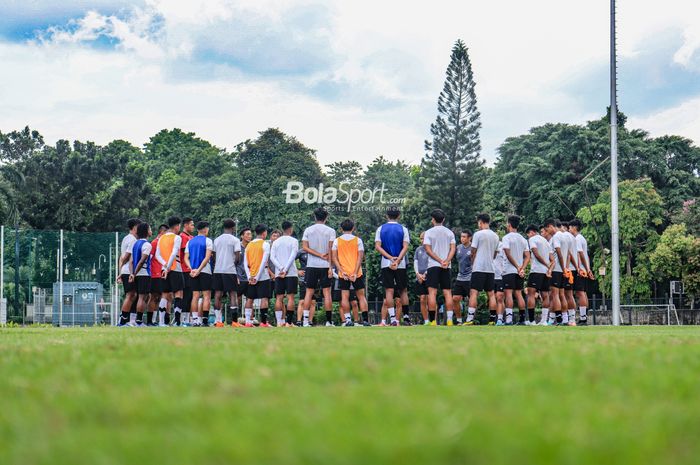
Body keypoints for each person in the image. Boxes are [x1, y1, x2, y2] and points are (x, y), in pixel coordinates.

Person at [374, 206, 411, 326]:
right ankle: (406, 318)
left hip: (386, 263)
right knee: (403, 291)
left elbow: (378, 246)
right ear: (399, 215)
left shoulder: (380, 229)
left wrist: (390, 258)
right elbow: (405, 246)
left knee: (389, 291)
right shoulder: (403, 229)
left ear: (387, 215)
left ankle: (393, 318)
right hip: (401, 264)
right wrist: (398, 259)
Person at [299, 208, 336, 327]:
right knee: (327, 293)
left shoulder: (308, 230)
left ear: (315, 217)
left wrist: (317, 254)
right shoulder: (331, 231)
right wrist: (330, 266)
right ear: (326, 218)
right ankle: (329, 321)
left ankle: (305, 321)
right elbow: (331, 250)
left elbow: (305, 247)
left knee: (309, 292)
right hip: (325, 265)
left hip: (311, 265)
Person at [332, 219, 370, 327]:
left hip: (343, 273)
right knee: (361, 296)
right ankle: (366, 320)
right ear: (353, 228)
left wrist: (342, 271)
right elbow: (360, 257)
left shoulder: (337, 241)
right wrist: (354, 272)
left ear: (341, 228)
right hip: (356, 273)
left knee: (344, 297)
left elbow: (334, 258)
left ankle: (348, 320)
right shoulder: (358, 240)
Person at [423, 209, 456, 326]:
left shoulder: (428, 232)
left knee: (432, 293)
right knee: (447, 292)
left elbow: (427, 249)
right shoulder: (449, 233)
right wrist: (446, 261)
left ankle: (432, 321)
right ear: (444, 219)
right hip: (446, 266)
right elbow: (453, 248)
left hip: (433, 265)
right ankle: (450, 320)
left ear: (433, 220)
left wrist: (439, 261)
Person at [465, 213, 499, 326]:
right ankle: (492, 320)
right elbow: (495, 254)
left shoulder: (478, 234)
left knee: (474, 293)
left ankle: (469, 319)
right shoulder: (495, 236)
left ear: (481, 222)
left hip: (479, 268)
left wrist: (473, 262)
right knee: (491, 294)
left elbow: (473, 251)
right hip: (490, 268)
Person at [155, 216, 185, 327]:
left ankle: (162, 322)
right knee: (178, 293)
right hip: (175, 268)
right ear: (177, 226)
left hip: (164, 268)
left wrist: (164, 265)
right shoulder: (177, 238)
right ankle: (177, 321)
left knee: (165, 294)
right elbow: (174, 253)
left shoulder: (161, 238)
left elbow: (157, 255)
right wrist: (168, 266)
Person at [212, 219, 242, 328]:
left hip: (218, 270)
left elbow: (213, 256)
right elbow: (238, 257)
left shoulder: (216, 240)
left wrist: (220, 262)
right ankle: (234, 321)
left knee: (218, 294)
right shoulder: (235, 240)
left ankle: (218, 321)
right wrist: (232, 263)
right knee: (233, 294)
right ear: (233, 228)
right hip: (230, 270)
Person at [501, 215, 530, 325]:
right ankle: (522, 319)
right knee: (518, 294)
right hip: (519, 271)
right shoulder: (523, 239)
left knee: (508, 294)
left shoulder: (506, 238)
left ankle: (508, 320)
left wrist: (518, 267)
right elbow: (527, 256)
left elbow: (508, 254)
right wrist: (522, 267)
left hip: (509, 269)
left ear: (509, 224)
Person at [270, 221, 299, 327]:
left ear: (282, 229)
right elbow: (293, 256)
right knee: (290, 297)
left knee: (279, 297)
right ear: (291, 229)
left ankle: (279, 322)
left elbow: (272, 257)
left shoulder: (276, 242)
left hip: (278, 273)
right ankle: (289, 322)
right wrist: (285, 269)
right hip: (290, 273)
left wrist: (280, 268)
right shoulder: (294, 241)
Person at [185, 221, 213, 327]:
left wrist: (192, 269)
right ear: (205, 229)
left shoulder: (190, 242)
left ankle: (195, 320)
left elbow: (185, 258)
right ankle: (204, 321)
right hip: (205, 271)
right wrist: (199, 269)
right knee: (206, 296)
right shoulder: (208, 241)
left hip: (193, 271)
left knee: (195, 296)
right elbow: (207, 257)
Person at [243, 224, 272, 327]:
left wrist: (249, 277)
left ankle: (247, 322)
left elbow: (245, 263)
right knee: (264, 298)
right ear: (264, 233)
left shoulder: (249, 245)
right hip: (262, 275)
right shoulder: (265, 244)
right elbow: (264, 262)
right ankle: (263, 322)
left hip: (251, 275)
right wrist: (257, 277)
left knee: (249, 298)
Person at [526, 224, 554, 326]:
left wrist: (546, 264)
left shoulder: (532, 239)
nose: (528, 236)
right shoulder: (546, 241)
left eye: (528, 234)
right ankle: (543, 321)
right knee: (545, 295)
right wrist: (549, 269)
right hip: (545, 272)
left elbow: (536, 254)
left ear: (532, 232)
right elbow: (553, 260)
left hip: (536, 270)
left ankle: (532, 320)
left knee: (531, 294)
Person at [117, 218, 141, 327]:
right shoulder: (132, 239)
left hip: (126, 271)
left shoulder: (126, 238)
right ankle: (123, 320)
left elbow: (120, 257)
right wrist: (122, 270)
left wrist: (120, 271)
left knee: (133, 295)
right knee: (130, 295)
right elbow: (126, 256)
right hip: (128, 271)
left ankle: (130, 320)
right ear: (135, 227)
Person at [570, 219, 593, 325]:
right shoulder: (581, 238)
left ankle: (583, 318)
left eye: (570, 227)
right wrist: (588, 268)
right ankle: (584, 317)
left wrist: (580, 268)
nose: (569, 229)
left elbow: (580, 254)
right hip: (584, 269)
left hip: (581, 270)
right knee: (583, 293)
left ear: (574, 227)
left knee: (580, 293)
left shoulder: (578, 239)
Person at [129, 222, 152, 327]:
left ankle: (134, 320)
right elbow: (142, 261)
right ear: (146, 231)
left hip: (136, 274)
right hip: (143, 273)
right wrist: (134, 273)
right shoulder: (147, 245)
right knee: (142, 297)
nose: (151, 231)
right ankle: (139, 321)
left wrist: (132, 273)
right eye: (150, 229)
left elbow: (131, 261)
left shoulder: (135, 244)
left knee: (142, 297)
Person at [544, 218, 566, 326]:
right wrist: (566, 268)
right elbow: (569, 254)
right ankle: (559, 319)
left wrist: (562, 267)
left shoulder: (556, 236)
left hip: (557, 269)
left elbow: (559, 254)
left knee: (555, 295)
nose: (548, 233)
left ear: (550, 226)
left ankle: (559, 319)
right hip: (563, 270)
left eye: (547, 230)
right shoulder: (565, 235)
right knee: (560, 295)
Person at [147, 224, 168, 326]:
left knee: (158, 297)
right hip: (154, 274)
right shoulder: (154, 243)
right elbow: (149, 259)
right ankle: (150, 320)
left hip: (161, 273)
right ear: (162, 232)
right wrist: (150, 272)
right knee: (153, 297)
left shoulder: (162, 244)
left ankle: (154, 320)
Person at [451, 230, 472, 325]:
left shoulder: (473, 248)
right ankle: (459, 320)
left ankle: (469, 319)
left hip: (470, 277)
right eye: (461, 237)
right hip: (460, 277)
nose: (462, 239)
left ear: (469, 238)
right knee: (455, 298)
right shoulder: (458, 247)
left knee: (471, 298)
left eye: (464, 237)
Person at [179, 217, 195, 326]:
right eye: (191, 225)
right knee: (186, 295)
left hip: (192, 269)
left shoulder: (191, 237)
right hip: (185, 269)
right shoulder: (183, 237)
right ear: (185, 225)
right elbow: (186, 254)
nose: (193, 227)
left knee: (191, 295)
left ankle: (188, 319)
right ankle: (183, 319)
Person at [235, 227, 253, 323]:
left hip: (250, 276)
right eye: (247, 234)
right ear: (242, 236)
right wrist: (236, 276)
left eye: (250, 234)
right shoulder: (237, 247)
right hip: (239, 276)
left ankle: (249, 320)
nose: (250, 236)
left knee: (250, 298)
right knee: (237, 298)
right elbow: (234, 262)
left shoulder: (252, 246)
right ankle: (234, 319)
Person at [413, 232, 430, 325]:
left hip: (430, 276)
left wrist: (426, 274)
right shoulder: (418, 250)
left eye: (424, 238)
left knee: (431, 298)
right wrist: (418, 274)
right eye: (421, 238)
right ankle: (426, 320)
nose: (422, 240)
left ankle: (433, 320)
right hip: (420, 278)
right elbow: (415, 262)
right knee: (422, 298)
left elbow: (432, 262)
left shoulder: (431, 249)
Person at [493, 241, 506, 325]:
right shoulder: (488, 246)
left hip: (501, 276)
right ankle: (495, 318)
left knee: (500, 298)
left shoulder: (503, 245)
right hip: (491, 276)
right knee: (493, 299)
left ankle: (500, 319)